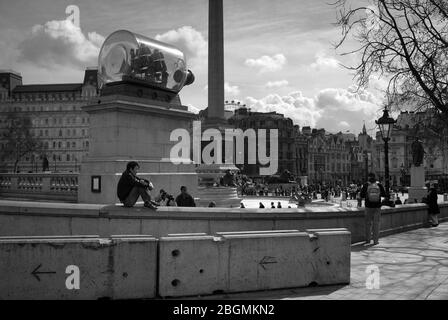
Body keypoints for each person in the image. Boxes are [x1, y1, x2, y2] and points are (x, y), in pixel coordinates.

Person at [360, 173, 386, 245]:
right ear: (375, 177)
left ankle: (368, 240)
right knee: (376, 224)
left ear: (369, 178)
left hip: (368, 206)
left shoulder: (366, 185)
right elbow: (384, 194)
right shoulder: (379, 185)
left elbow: (361, 195)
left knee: (368, 223)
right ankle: (375, 241)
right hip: (377, 206)